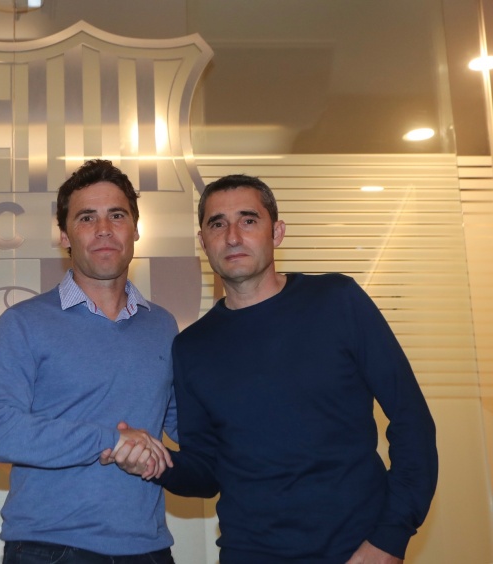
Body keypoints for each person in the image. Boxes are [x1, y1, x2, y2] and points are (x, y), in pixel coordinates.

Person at [103, 174, 438, 563]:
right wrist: (155, 461)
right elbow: (207, 472)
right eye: (217, 224)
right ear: (203, 242)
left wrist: (390, 538)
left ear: (276, 232)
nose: (232, 237)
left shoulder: (337, 301)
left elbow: (412, 421)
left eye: (248, 220)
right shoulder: (192, 347)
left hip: (357, 550)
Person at [0, 159, 178, 564]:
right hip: (49, 549)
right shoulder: (23, 324)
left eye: (117, 215)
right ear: (65, 235)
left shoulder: (163, 326)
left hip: (149, 549)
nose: (104, 229)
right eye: (86, 218)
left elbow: (191, 425)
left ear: (135, 229)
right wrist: (109, 440)